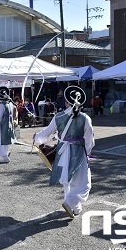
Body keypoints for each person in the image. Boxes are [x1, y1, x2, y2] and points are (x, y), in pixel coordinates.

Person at [34, 86, 95, 218]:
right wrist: (87, 152)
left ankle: (75, 208)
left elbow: (46, 134)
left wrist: (36, 137)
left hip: (62, 152)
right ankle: (70, 203)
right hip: (78, 151)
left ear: (67, 102)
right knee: (84, 183)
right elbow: (90, 140)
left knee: (68, 181)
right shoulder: (85, 118)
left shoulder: (59, 116)